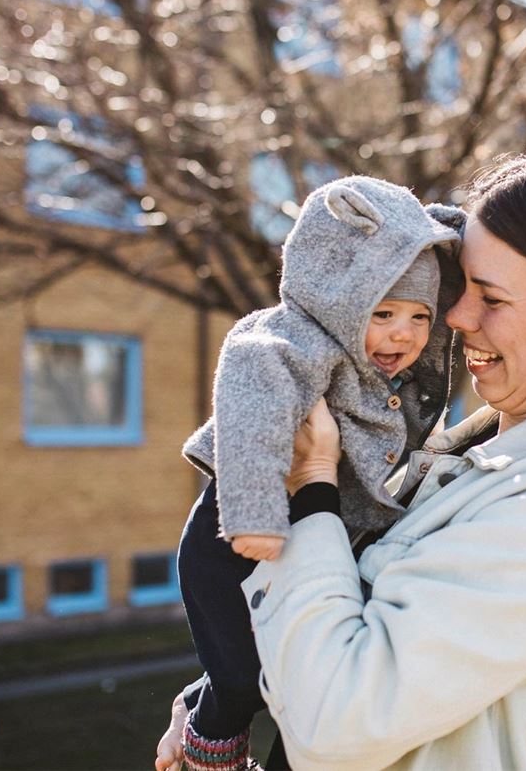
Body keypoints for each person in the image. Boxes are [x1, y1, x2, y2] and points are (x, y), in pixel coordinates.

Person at [202, 139, 526, 771]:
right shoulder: (474, 455)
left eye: (490, 297)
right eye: (459, 285)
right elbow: (345, 619)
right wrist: (221, 702)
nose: (456, 315)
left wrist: (311, 486)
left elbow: (338, 720)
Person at [157, 176, 464, 771]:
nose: (403, 333)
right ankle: (209, 752)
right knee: (243, 681)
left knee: (284, 672)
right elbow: (251, 407)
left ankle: (205, 705)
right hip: (235, 540)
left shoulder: (386, 378)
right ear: (337, 296)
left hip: (309, 542)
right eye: (384, 312)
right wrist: (254, 515)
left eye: (420, 316)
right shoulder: (285, 342)